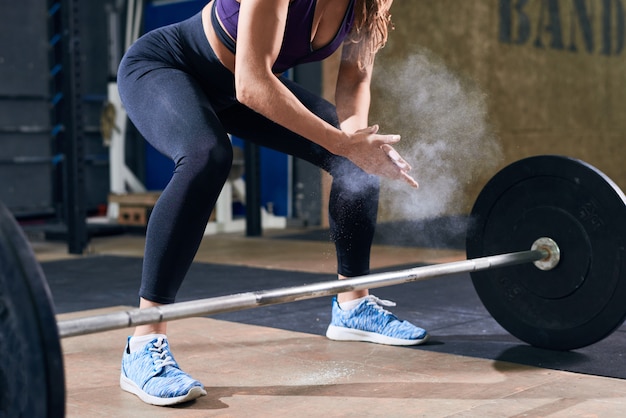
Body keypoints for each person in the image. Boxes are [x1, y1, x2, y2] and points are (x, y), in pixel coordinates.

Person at [116, 0, 428, 406]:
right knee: (207, 156)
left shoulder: (370, 4)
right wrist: (342, 143)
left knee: (356, 161)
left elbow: (353, 81)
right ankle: (143, 344)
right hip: (168, 69)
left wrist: (354, 146)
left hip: (237, 90)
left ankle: (353, 306)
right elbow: (251, 83)